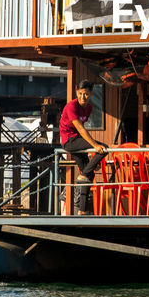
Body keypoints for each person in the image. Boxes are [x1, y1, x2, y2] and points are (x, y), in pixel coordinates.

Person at [55, 80, 108, 215]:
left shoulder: (88, 108)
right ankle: (83, 174)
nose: (82, 97)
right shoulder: (71, 106)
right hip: (69, 141)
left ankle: (82, 210)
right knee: (103, 147)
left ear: (91, 94)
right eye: (80, 94)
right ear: (76, 92)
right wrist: (95, 145)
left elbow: (80, 129)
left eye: (86, 94)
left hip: (77, 139)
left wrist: (92, 155)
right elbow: (79, 127)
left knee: (88, 174)